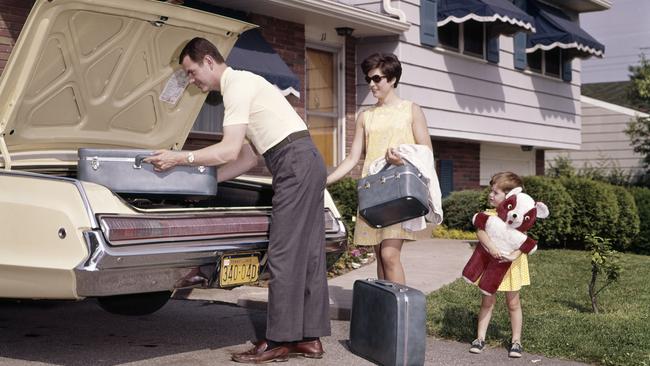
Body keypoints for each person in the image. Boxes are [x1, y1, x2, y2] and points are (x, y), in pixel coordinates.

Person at [144, 37, 330, 364]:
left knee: (284, 252)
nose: (191, 80)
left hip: (294, 162)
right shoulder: (244, 85)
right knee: (309, 253)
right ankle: (310, 338)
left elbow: (228, 150)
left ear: (209, 62)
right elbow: (244, 158)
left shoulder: (237, 85)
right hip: (304, 159)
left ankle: (279, 341)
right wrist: (207, 181)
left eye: (190, 72)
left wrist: (179, 159)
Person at [326, 53, 433, 285]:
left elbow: (426, 152)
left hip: (398, 193)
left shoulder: (411, 110)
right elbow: (353, 158)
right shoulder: (365, 116)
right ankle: (386, 314)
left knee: (389, 255)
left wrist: (401, 161)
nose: (371, 85)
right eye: (369, 79)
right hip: (373, 193)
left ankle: (401, 315)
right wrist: (324, 181)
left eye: (377, 79)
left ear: (392, 79)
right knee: (380, 259)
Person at [469, 171, 528, 358]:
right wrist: (492, 248)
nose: (491, 195)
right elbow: (480, 232)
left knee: (513, 303)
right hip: (491, 264)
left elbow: (524, 241)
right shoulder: (488, 215)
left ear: (509, 196)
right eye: (491, 191)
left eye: (496, 192)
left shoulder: (517, 217)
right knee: (487, 301)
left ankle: (516, 341)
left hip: (512, 264)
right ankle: (480, 338)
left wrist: (513, 255)